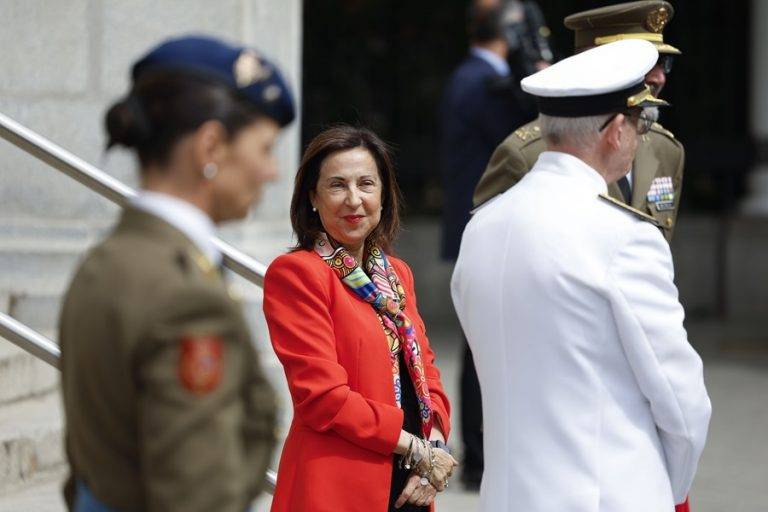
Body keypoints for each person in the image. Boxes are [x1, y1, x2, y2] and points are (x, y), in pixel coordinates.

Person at [451, 39, 711, 512]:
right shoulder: (626, 237)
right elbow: (683, 403)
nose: (641, 137)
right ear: (616, 131)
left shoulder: (482, 228)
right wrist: (660, 488)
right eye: (639, 123)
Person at [59, 35, 295, 512]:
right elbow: (199, 494)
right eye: (266, 148)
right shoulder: (181, 293)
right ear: (211, 146)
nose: (272, 171)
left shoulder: (104, 262)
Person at [263, 125, 457, 511]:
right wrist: (417, 449)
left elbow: (427, 369)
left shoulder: (397, 274)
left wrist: (434, 445)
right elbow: (323, 398)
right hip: (336, 487)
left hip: (413, 482)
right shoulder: (297, 273)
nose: (354, 199)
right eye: (337, 185)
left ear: (384, 195)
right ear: (313, 197)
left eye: (366, 184)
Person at [474, 0, 684, 243]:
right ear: (590, 65)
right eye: (644, 63)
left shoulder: (667, 150)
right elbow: (490, 251)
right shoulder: (524, 155)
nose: (659, 78)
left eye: (663, 63)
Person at [439, 3, 537, 488]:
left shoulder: (477, 78)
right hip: (486, 229)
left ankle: (485, 453)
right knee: (485, 343)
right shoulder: (479, 82)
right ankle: (480, 456)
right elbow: (524, 130)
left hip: (485, 229)